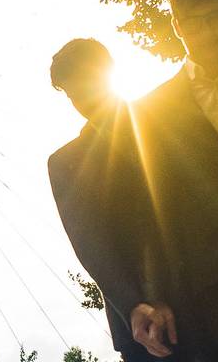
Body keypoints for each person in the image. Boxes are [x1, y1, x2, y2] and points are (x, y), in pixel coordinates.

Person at [128, 0, 218, 361]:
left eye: (217, 17)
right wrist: (155, 294)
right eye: (195, 22)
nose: (208, 31)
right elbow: (152, 208)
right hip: (215, 287)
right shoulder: (151, 113)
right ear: (177, 26)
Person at [48, 38, 165, 362]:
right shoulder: (64, 165)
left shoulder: (168, 118)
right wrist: (135, 304)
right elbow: (92, 246)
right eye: (73, 95)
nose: (83, 101)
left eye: (87, 86)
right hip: (143, 329)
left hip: (213, 300)